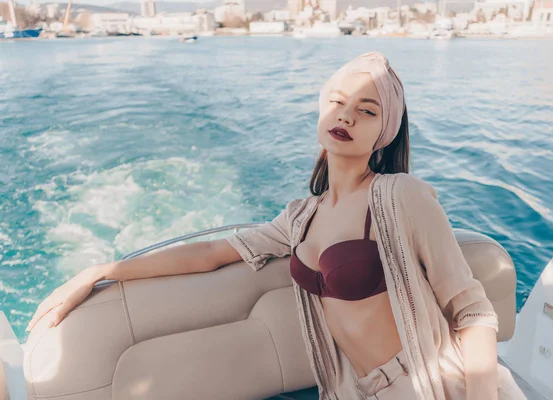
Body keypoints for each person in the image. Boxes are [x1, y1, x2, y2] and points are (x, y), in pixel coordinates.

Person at [26, 52, 526, 400]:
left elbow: (471, 310)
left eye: (366, 110)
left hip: (442, 385)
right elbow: (210, 254)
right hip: (357, 389)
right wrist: (99, 271)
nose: (346, 116)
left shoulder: (401, 197)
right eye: (336, 102)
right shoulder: (301, 217)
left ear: (383, 133)